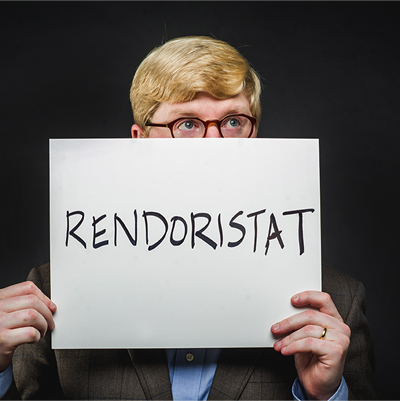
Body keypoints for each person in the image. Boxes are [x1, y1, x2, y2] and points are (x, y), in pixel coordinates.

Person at [0, 36, 375, 400]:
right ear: (140, 140)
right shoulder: (54, 294)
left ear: (254, 134)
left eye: (232, 122)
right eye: (188, 124)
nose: (214, 144)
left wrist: (326, 396)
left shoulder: (333, 305)